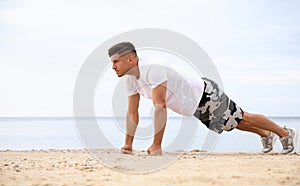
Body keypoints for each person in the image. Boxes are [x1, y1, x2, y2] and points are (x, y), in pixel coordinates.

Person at [108, 42, 298, 156]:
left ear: (131, 59)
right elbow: (132, 114)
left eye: (116, 61)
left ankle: (285, 133)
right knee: (231, 124)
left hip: (204, 94)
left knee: (242, 117)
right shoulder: (131, 81)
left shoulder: (153, 68)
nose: (113, 66)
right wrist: (128, 145)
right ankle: (266, 134)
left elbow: (160, 106)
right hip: (193, 106)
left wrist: (157, 145)